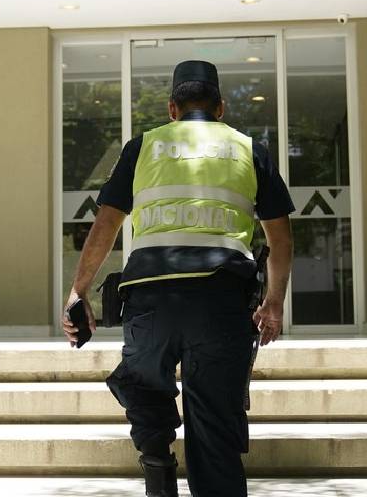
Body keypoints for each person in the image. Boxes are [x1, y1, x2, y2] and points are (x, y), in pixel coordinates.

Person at [62, 59, 294, 497]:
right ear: (220, 108)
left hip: (150, 301)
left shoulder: (142, 147)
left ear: (172, 109)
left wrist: (79, 290)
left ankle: (158, 472)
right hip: (222, 303)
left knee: (146, 395)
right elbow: (280, 240)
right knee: (216, 429)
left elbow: (105, 225)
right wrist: (274, 304)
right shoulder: (249, 149)